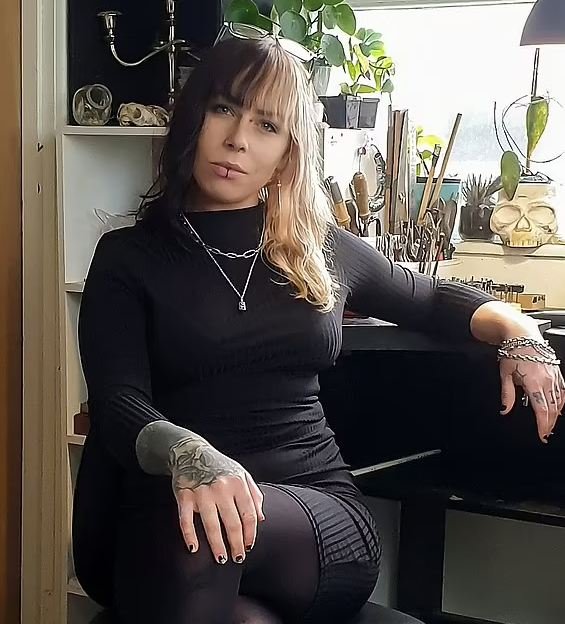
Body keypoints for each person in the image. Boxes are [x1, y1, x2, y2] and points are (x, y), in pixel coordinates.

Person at [73, 33, 565, 624]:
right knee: (222, 575)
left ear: (288, 152)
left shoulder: (318, 249)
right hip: (175, 511)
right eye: (224, 109)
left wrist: (523, 334)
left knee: (208, 536)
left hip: (315, 518)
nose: (237, 139)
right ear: (193, 118)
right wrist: (190, 453)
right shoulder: (128, 258)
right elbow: (118, 401)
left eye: (267, 126)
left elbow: (434, 298)